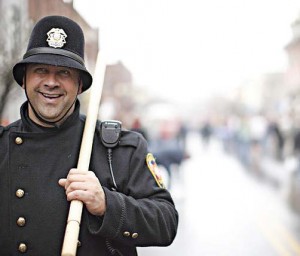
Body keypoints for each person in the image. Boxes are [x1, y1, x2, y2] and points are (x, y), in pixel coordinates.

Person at [0, 15, 178, 256]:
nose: (51, 82)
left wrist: (107, 204)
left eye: (63, 73)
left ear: (80, 85)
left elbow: (166, 224)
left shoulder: (121, 148)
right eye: (41, 70)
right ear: (24, 80)